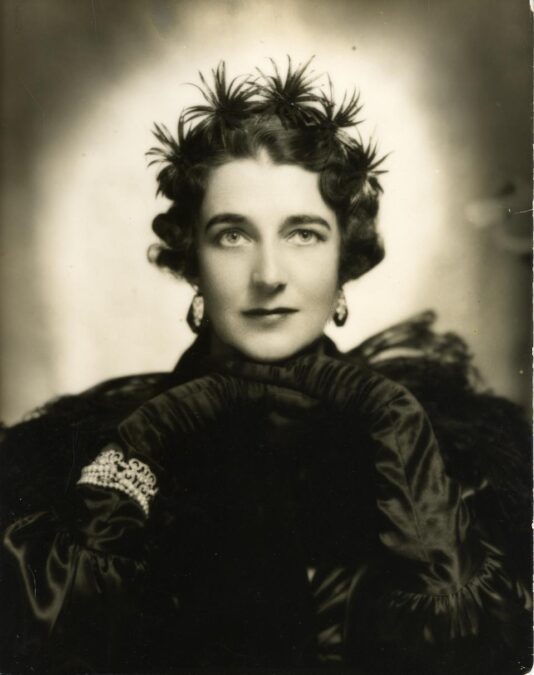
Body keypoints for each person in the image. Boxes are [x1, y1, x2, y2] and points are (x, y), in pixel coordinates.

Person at [0, 59, 531, 675]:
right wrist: (148, 436)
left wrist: (396, 424)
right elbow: (47, 648)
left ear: (343, 264)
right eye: (233, 235)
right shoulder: (79, 453)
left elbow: (485, 654)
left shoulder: (449, 451)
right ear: (193, 263)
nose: (269, 275)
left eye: (303, 234)